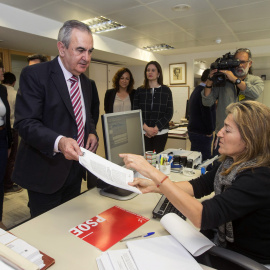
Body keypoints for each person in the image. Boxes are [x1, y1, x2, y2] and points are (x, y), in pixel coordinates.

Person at [120, 100, 270, 265]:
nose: (219, 133)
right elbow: (199, 186)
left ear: (249, 140)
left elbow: (203, 217)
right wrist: (156, 187)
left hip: (245, 259)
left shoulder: (259, 176)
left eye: (227, 130)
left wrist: (153, 173)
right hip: (222, 242)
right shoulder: (230, 162)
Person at [12, 20, 98, 218]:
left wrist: (91, 131)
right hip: (45, 173)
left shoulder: (85, 82)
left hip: (75, 172)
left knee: (70, 224)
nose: (86, 58)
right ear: (61, 48)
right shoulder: (35, 75)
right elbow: (26, 123)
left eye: (90, 51)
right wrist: (60, 142)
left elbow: (86, 115)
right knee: (46, 234)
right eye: (80, 50)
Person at [202, 48, 264, 156]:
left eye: (243, 62)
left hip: (246, 137)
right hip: (223, 134)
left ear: (250, 63)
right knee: (218, 168)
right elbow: (207, 102)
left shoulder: (255, 81)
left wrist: (235, 79)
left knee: (242, 169)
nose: (239, 65)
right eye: (236, 62)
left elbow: (254, 93)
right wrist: (209, 81)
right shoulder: (223, 82)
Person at [133, 61, 173, 154]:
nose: (150, 72)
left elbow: (169, 113)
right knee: (145, 160)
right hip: (144, 132)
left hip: (161, 132)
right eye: (148, 70)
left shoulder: (166, 90)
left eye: (153, 70)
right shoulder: (140, 91)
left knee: (158, 159)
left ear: (158, 73)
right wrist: (146, 128)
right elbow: (135, 112)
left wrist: (156, 128)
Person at [188, 69, 216, 161]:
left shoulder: (196, 89)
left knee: (196, 160)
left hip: (195, 131)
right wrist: (209, 131)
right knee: (204, 162)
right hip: (202, 133)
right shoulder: (204, 92)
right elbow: (206, 112)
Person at [1, 72, 22, 194]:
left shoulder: (3, 91)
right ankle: (8, 184)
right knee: (12, 157)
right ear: (14, 82)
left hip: (4, 128)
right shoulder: (15, 94)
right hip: (12, 128)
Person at [0, 64, 12, 230]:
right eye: (1, 72)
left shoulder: (2, 90)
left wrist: (9, 142)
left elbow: (7, 117)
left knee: (0, 181)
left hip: (1, 138)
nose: (3, 76)